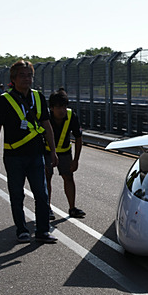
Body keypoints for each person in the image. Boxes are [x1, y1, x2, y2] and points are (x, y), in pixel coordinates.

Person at [0, 60, 58, 244]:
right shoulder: (4, 100)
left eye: (29, 75)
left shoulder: (38, 97)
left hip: (36, 154)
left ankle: (43, 231)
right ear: (13, 78)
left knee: (41, 194)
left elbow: (46, 125)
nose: (27, 78)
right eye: (22, 75)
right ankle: (22, 230)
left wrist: (53, 150)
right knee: (17, 194)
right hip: (14, 156)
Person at [45, 88, 86, 219]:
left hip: (64, 153)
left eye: (64, 106)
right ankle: (47, 208)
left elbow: (79, 138)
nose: (62, 110)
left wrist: (76, 160)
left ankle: (72, 208)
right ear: (51, 108)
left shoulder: (71, 116)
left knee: (68, 178)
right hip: (46, 152)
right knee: (46, 179)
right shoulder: (45, 117)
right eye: (58, 107)